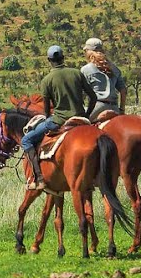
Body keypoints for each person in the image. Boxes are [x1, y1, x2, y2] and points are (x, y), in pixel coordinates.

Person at [20, 45, 97, 191]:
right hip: (81, 119)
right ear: (63, 57)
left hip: (59, 120)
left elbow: (47, 107)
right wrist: (86, 115)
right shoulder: (76, 73)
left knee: (26, 140)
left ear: (49, 60)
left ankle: (38, 178)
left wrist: (48, 118)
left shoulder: (47, 80)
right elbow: (93, 97)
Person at [81, 37, 126, 120]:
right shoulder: (114, 68)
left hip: (97, 106)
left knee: (81, 126)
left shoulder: (86, 69)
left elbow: (81, 93)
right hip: (114, 107)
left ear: (89, 52)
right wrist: (122, 109)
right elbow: (123, 90)